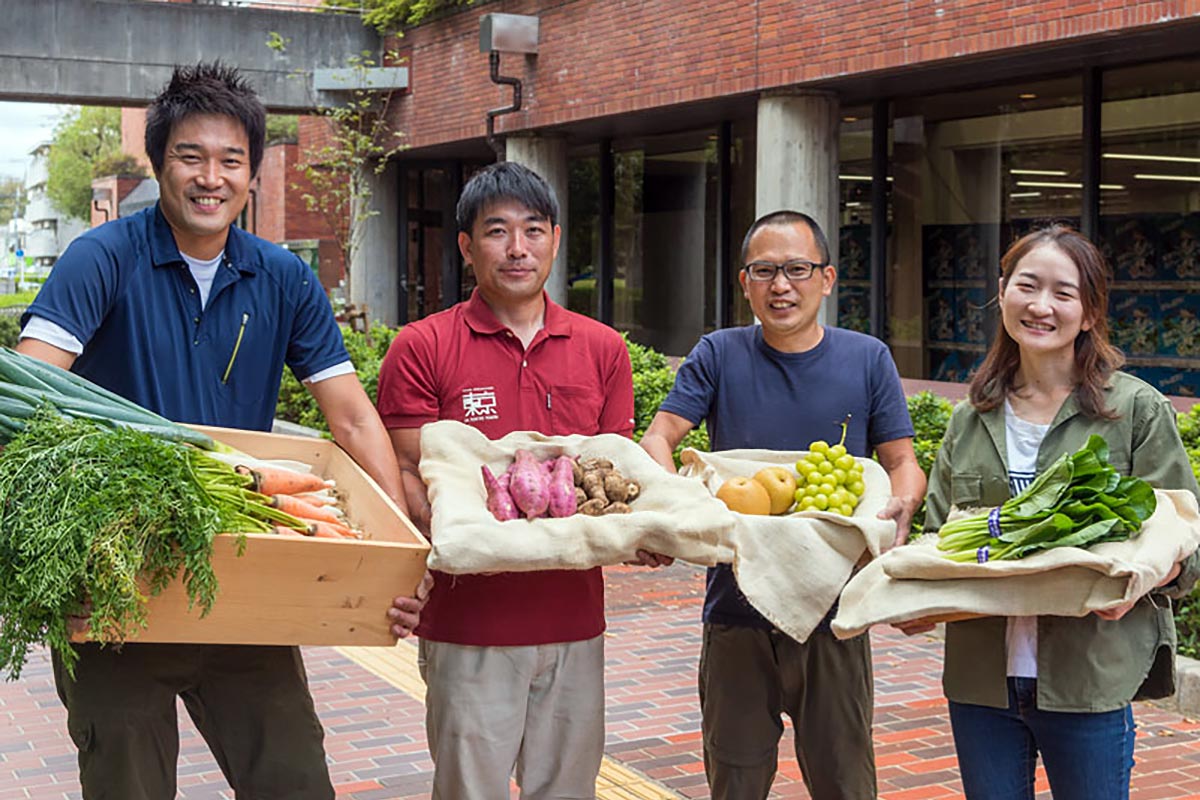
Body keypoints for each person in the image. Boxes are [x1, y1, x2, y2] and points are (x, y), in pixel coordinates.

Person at [17, 62, 428, 800]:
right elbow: (30, 389)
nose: (211, 177)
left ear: (253, 174)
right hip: (119, 588)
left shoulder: (282, 278)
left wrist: (402, 555)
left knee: (295, 778)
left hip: (246, 579)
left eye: (230, 160)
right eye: (191, 156)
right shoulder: (100, 259)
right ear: (159, 161)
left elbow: (352, 415)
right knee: (127, 786)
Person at [376, 160, 668, 799]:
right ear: (466, 246)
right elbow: (403, 472)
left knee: (565, 792)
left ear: (556, 240)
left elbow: (611, 475)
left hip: (573, 618)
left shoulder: (600, 348)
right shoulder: (423, 346)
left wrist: (645, 530)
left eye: (533, 230)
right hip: (467, 621)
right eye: (497, 231)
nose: (517, 249)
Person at [901, 225, 1200, 800]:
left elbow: (1186, 542)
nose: (1041, 306)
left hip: (1089, 676)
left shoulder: (1134, 409)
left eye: (1063, 293)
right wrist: (915, 594)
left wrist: (1138, 581)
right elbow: (938, 539)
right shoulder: (970, 416)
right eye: (1027, 286)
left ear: (1089, 312)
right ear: (1002, 292)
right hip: (980, 681)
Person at [639, 210, 926, 799]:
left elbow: (903, 464)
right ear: (744, 282)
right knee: (735, 782)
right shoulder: (719, 353)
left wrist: (899, 508)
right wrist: (672, 513)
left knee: (845, 782)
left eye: (797, 269)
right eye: (764, 271)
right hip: (736, 612)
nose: (781, 286)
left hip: (835, 615)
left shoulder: (867, 357)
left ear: (827, 278)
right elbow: (658, 438)